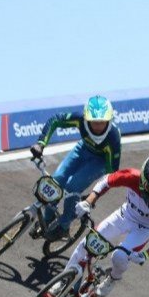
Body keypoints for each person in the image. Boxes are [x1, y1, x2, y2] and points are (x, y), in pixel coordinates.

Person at [58, 153, 149, 297]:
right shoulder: (132, 176)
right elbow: (106, 181)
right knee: (85, 244)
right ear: (143, 179)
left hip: (144, 229)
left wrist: (146, 255)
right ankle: (64, 279)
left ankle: (113, 278)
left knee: (119, 256)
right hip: (125, 215)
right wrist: (88, 201)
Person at [30, 95, 122, 241]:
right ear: (86, 119)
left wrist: (94, 196)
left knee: (72, 187)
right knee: (56, 179)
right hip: (83, 149)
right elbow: (55, 120)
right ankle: (47, 219)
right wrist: (40, 143)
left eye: (102, 122)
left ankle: (64, 227)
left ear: (109, 120)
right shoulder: (80, 118)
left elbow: (112, 174)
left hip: (99, 161)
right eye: (94, 122)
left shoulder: (113, 137)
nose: (98, 126)